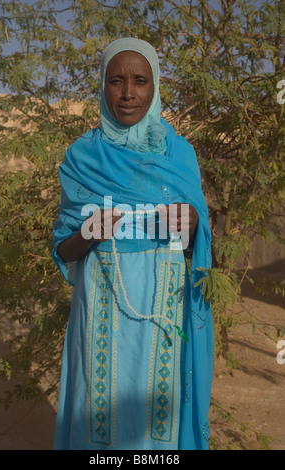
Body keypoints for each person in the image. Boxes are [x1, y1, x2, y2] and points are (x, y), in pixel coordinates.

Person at [52, 38, 213, 450]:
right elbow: (63, 249)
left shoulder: (179, 155)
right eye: (116, 81)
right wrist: (90, 232)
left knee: (158, 424)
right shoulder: (82, 157)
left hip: (164, 309)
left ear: (154, 86)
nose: (128, 93)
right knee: (97, 412)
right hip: (101, 310)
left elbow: (195, 246)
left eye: (140, 81)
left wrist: (193, 225)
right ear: (101, 87)